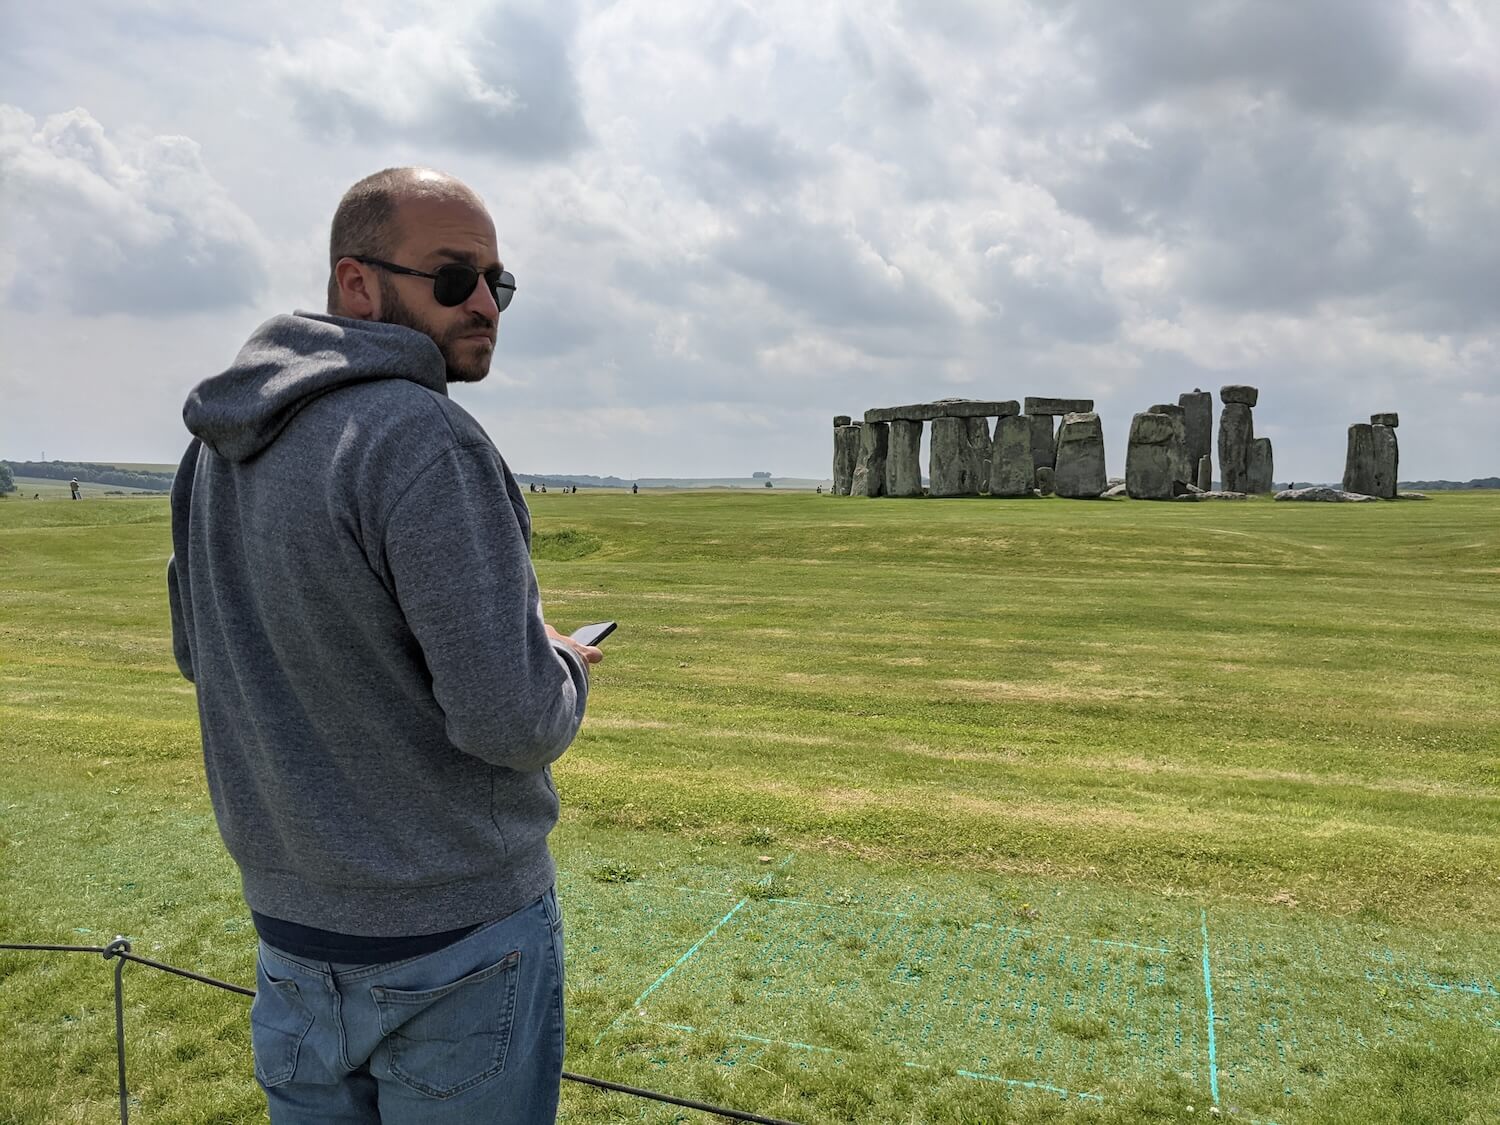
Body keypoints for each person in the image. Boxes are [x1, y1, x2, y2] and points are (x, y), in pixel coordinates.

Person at [166, 167, 600, 1125]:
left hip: (289, 928)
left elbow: (205, 655)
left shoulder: (212, 449)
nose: (486, 302)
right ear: (358, 284)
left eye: (499, 281)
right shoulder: (424, 439)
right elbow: (511, 720)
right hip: (456, 936)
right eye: (453, 278)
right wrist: (560, 660)